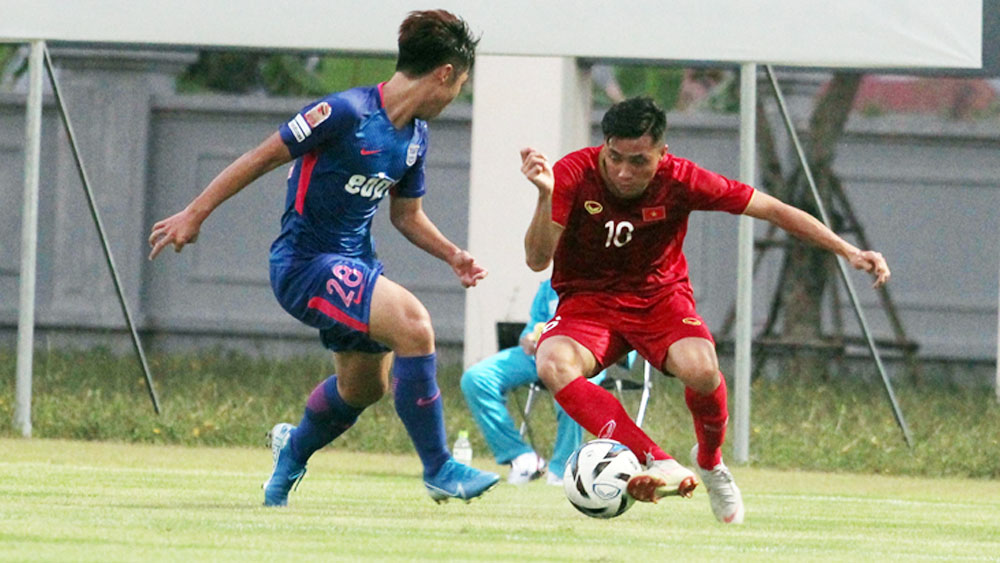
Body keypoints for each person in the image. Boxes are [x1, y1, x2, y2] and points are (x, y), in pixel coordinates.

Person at [148, 10, 499, 506]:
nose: (456, 95)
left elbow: (406, 215)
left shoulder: (415, 136)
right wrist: (194, 212)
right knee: (415, 325)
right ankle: (439, 467)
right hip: (305, 264)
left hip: (356, 266)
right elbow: (261, 156)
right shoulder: (345, 112)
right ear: (445, 73)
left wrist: (452, 255)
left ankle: (292, 450)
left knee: (363, 389)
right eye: (460, 84)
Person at [519, 96, 890, 524]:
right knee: (552, 362)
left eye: (638, 161)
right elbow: (536, 260)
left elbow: (772, 208)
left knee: (701, 369)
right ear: (603, 146)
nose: (622, 172)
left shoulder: (682, 179)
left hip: (658, 298)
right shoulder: (571, 173)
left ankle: (710, 462)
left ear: (662, 153)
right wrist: (545, 197)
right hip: (588, 302)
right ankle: (656, 460)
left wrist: (847, 249)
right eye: (614, 157)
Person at [461, 279, 633, 486]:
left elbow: (626, 345)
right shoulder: (549, 285)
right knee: (476, 378)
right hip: (538, 354)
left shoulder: (609, 284)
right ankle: (521, 457)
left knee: (572, 387)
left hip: (583, 356)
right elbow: (533, 326)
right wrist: (528, 338)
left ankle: (563, 469)